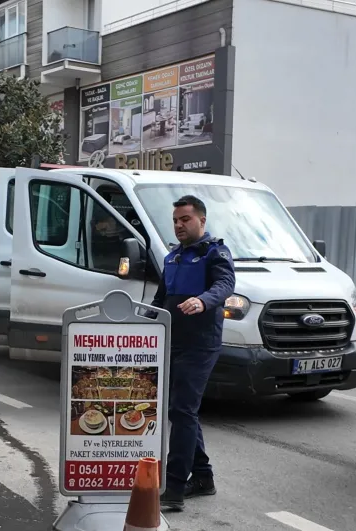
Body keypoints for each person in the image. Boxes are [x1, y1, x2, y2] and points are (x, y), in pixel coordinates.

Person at [152, 195, 236, 511]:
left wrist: (203, 301)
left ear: (201, 220)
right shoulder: (172, 257)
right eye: (175, 220)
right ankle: (203, 477)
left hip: (200, 344)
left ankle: (174, 487)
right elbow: (160, 300)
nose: (179, 225)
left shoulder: (215, 253)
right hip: (172, 341)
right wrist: (138, 324)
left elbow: (225, 285)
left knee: (183, 411)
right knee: (181, 410)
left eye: (185, 219)